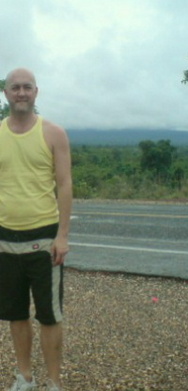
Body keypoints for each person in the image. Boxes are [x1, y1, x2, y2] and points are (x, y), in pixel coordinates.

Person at [0, 68, 72, 391]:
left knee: (49, 315)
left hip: (44, 240)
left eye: (27, 87)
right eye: (15, 88)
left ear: (36, 92)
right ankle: (25, 377)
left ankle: (54, 383)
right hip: (5, 239)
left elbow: (65, 184)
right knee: (16, 314)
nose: (21, 93)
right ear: (6, 93)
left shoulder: (53, 133)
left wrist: (63, 236)